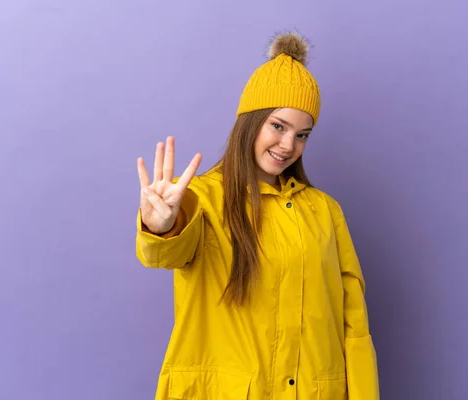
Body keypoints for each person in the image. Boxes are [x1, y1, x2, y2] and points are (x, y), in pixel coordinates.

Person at [135, 31, 380, 400]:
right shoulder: (203, 198)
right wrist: (161, 226)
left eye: (302, 135)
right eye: (278, 126)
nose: (288, 145)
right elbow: (165, 252)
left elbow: (353, 321)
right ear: (252, 120)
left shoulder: (325, 212)